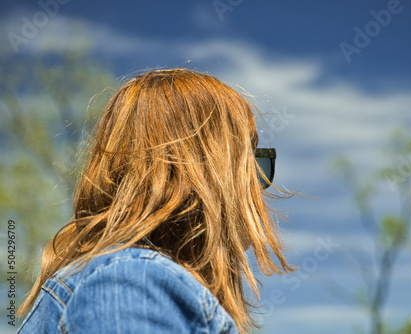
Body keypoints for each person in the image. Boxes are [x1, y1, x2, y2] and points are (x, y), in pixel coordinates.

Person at [17, 69, 294, 333]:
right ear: (205, 175)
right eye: (252, 163)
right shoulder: (134, 279)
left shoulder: (129, 279)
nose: (260, 188)